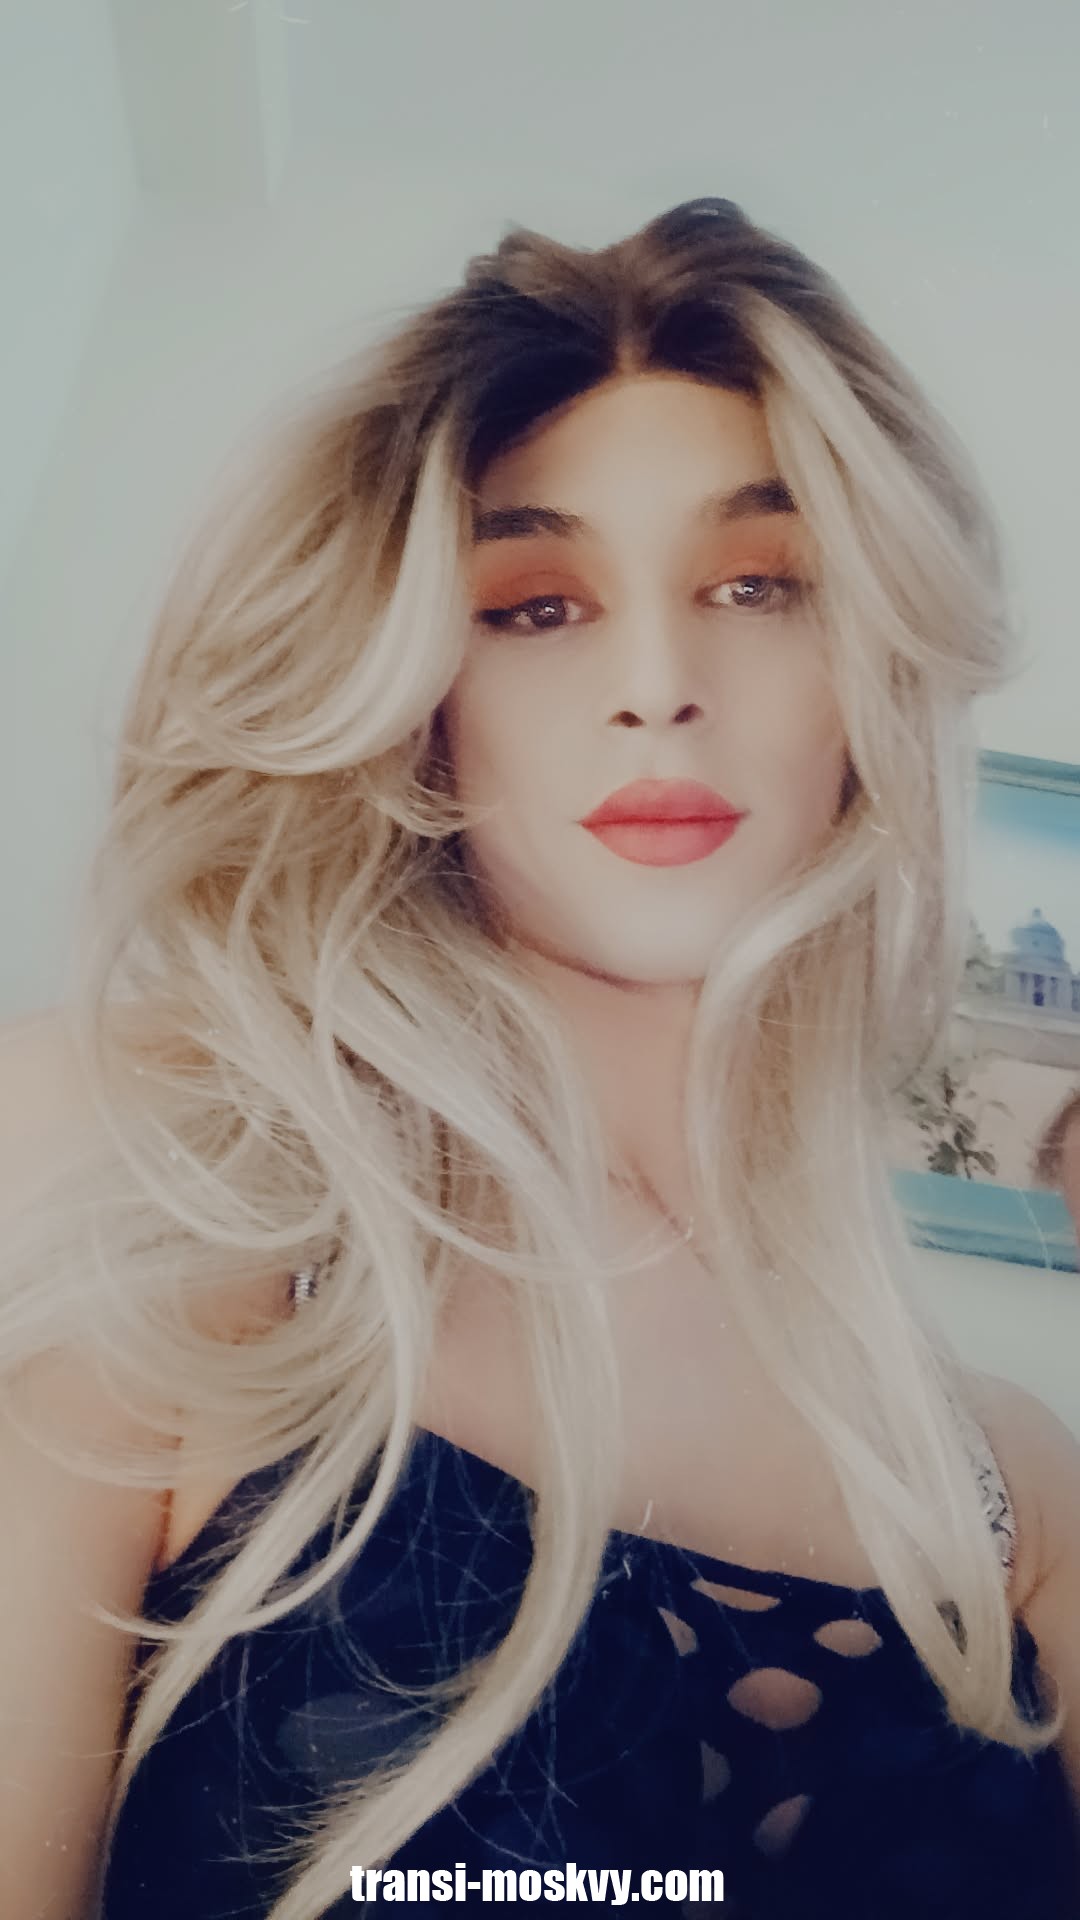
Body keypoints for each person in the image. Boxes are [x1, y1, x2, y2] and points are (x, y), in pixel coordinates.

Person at [2, 197, 1079, 1920]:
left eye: (761, 585)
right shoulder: (152, 1209)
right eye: (534, 603)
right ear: (418, 684)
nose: (658, 682)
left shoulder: (1014, 1496)